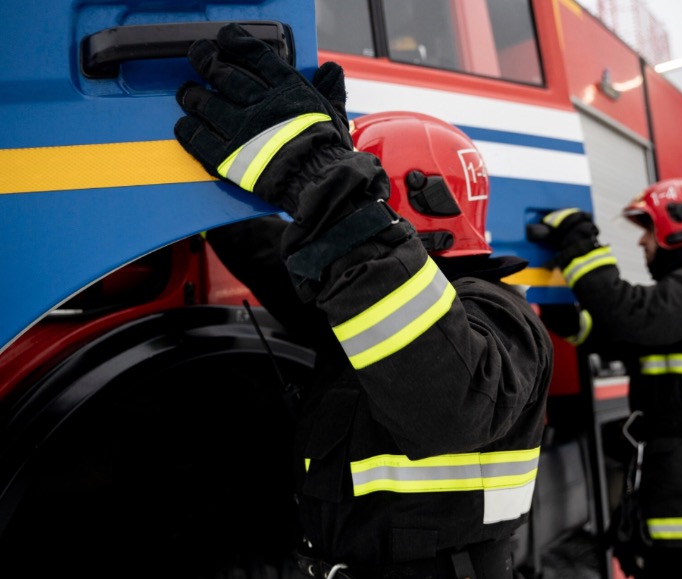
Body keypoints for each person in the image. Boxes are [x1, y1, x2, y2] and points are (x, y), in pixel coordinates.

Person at [173, 23, 553, 579]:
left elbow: (448, 406)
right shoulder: (366, 305)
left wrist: (321, 175)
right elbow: (278, 262)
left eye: (366, 192)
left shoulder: (499, 315)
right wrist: (206, 208)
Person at [531, 179, 682, 579]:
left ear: (679, 228)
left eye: (649, 230)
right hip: (681, 476)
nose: (642, 242)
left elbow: (627, 314)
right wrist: (559, 299)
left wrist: (580, 240)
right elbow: (610, 333)